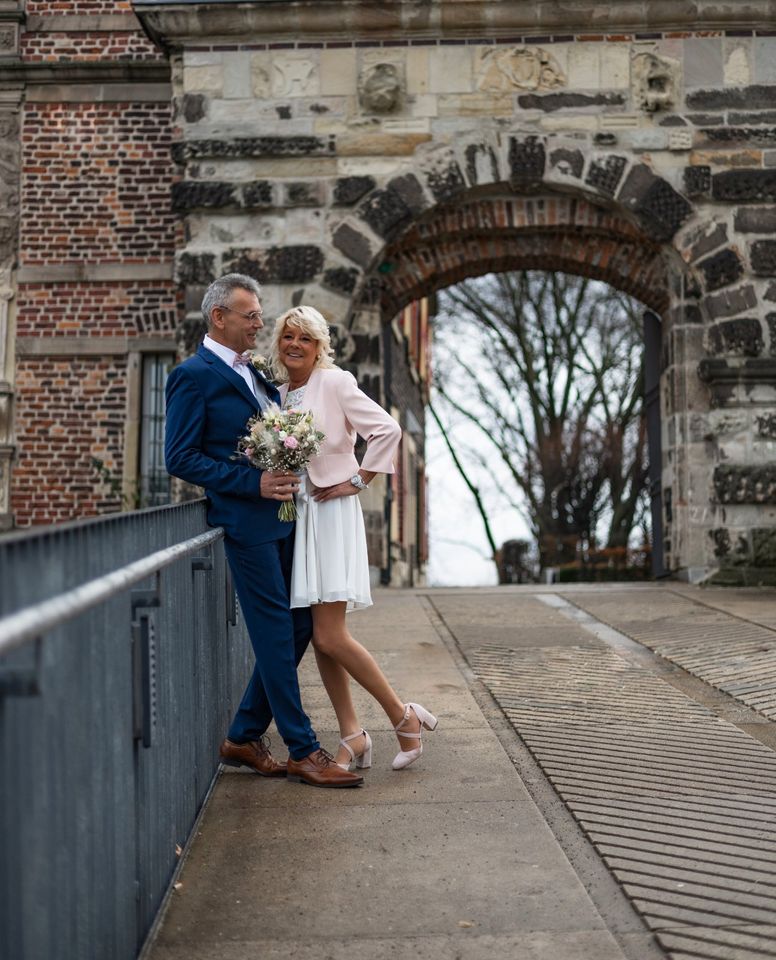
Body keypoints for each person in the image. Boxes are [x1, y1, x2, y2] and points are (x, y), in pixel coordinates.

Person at [164, 274, 362, 788]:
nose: (259, 323)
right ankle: (304, 749)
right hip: (245, 524)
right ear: (218, 317)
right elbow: (180, 456)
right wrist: (252, 484)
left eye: (257, 315)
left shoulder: (253, 372)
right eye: (250, 315)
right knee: (276, 631)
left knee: (298, 627)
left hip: (285, 521)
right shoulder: (194, 375)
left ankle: (246, 734)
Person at [272, 305, 438, 772]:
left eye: (305, 338)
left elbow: (387, 429)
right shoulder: (279, 394)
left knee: (329, 634)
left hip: (331, 511)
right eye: (288, 336)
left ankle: (401, 716)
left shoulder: (336, 382)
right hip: (300, 515)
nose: (295, 345)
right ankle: (352, 734)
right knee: (322, 638)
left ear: (319, 346)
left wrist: (359, 481)